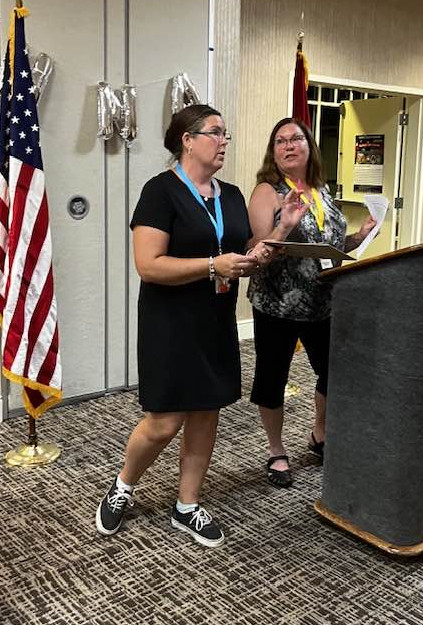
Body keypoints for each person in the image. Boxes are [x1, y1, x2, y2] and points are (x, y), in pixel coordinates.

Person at [95, 105, 299, 546]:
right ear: (187, 139)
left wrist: (281, 230)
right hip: (169, 323)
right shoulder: (160, 191)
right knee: (165, 422)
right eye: (216, 133)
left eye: (227, 134)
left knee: (206, 413)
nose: (224, 141)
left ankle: (187, 505)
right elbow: (148, 265)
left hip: (215, 320)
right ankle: (124, 485)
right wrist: (213, 265)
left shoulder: (229, 196)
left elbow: (245, 252)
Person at [247, 117, 378, 488]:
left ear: (309, 146)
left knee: (335, 371)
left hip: (323, 301)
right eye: (280, 141)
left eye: (296, 139)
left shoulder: (320, 189)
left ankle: (320, 432)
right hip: (278, 303)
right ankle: (276, 451)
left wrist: (360, 236)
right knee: (273, 379)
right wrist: (285, 224)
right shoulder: (267, 192)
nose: (289, 145)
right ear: (273, 152)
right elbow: (258, 250)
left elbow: (332, 248)